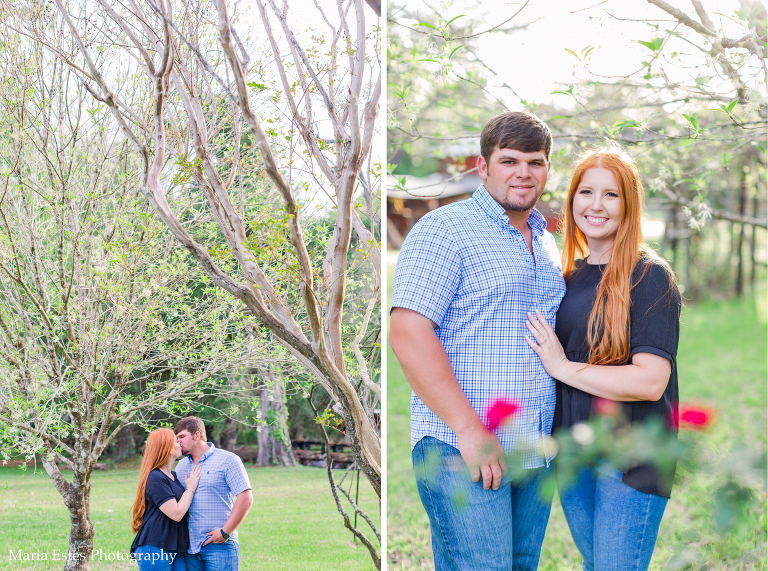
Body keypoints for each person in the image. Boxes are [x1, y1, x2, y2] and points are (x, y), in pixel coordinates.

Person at [389, 111, 566, 571]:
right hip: (461, 444)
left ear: (548, 169)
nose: (523, 173)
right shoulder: (445, 230)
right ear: (483, 166)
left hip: (533, 443)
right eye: (509, 161)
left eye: (535, 162)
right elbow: (408, 333)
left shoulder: (546, 242)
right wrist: (470, 431)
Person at [525, 144, 681, 571]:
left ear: (629, 204)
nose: (596, 205)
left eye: (611, 195)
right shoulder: (569, 276)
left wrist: (562, 367)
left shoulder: (649, 275)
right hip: (574, 454)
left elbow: (650, 382)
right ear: (571, 199)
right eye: (585, 192)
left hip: (629, 458)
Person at [174, 416, 254, 571]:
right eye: (177, 438)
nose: (178, 442)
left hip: (220, 546)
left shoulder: (228, 460)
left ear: (197, 435)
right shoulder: (181, 466)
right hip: (190, 549)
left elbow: (246, 498)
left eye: (182, 437)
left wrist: (225, 532)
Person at [131, 428, 203, 570]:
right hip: (155, 547)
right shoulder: (155, 477)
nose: (180, 442)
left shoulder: (173, 476)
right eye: (176, 441)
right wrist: (190, 488)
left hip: (174, 546)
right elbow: (176, 513)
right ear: (167, 448)